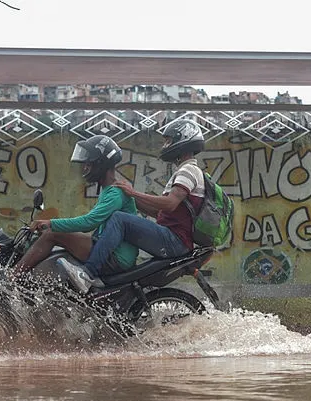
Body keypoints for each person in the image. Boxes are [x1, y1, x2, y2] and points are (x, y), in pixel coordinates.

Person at [58, 119, 205, 294]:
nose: (165, 145)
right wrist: (129, 199)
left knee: (119, 219)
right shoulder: (185, 171)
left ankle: (88, 274)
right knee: (122, 218)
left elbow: (170, 204)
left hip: (174, 241)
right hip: (172, 237)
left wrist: (133, 193)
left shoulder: (188, 170)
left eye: (169, 141)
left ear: (184, 140)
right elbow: (160, 213)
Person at [12, 135, 138, 283]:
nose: (85, 167)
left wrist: (50, 223)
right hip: (107, 248)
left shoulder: (115, 193)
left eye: (88, 164)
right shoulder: (108, 189)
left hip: (116, 257)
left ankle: (13, 277)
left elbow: (88, 223)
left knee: (52, 234)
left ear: (101, 163)